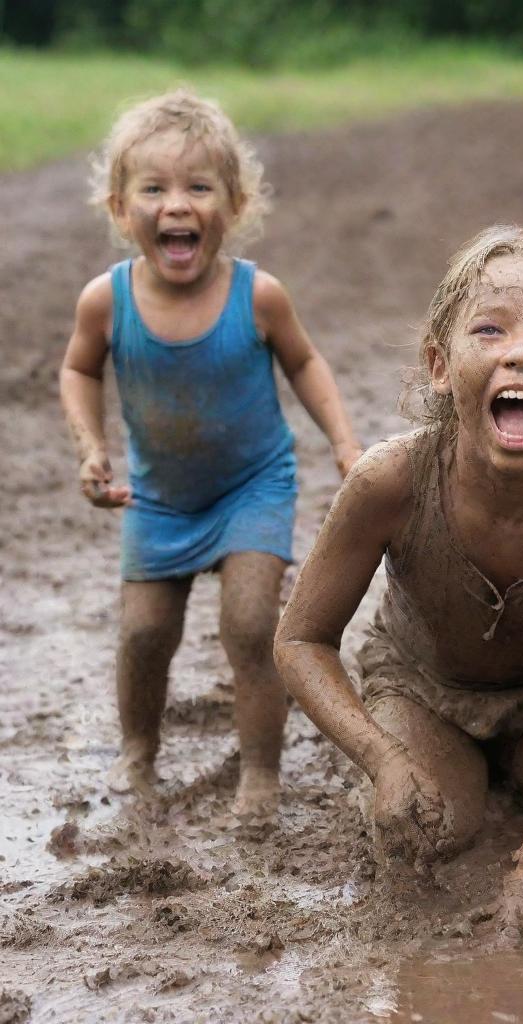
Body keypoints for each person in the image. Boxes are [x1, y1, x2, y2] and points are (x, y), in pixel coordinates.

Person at [275, 226, 523, 932]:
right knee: (431, 832)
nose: (520, 352)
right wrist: (381, 759)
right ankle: (452, 767)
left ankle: (521, 774)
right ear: (439, 365)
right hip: (424, 689)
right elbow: (300, 640)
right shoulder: (389, 482)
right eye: (489, 329)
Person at [60, 89, 363, 814]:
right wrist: (92, 448)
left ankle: (260, 769)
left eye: (199, 187)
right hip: (160, 495)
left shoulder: (260, 297)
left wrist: (346, 445)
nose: (177, 205)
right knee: (143, 632)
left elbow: (306, 365)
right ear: (117, 205)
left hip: (253, 485)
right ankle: (138, 754)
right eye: (154, 188)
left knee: (253, 623)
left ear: (235, 203)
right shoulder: (107, 301)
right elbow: (77, 370)